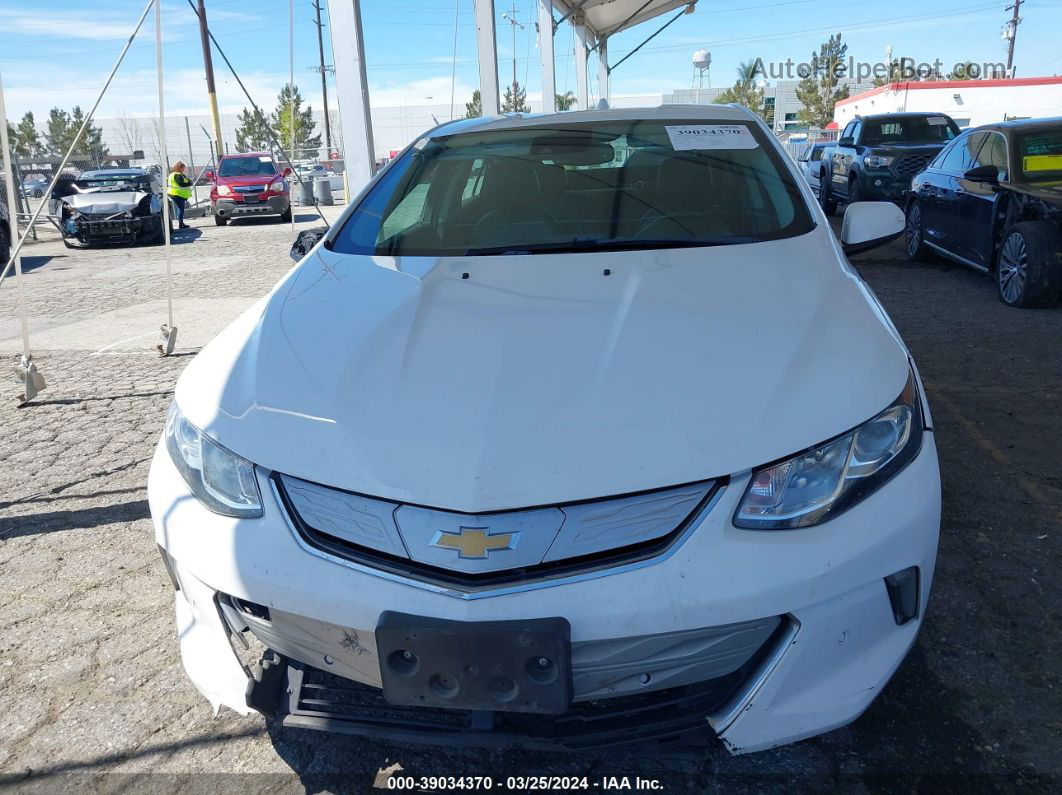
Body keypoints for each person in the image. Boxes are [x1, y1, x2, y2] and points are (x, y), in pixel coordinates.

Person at [167, 161, 193, 230]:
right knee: (181, 209)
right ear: (179, 168)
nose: (183, 169)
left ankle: (181, 223)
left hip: (174, 194)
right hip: (177, 194)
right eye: (183, 168)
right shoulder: (177, 175)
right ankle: (181, 224)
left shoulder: (172, 174)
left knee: (180, 209)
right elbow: (181, 184)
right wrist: (189, 183)